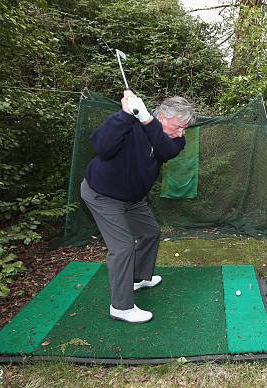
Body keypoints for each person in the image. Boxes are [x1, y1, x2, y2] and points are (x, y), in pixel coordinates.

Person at [80, 90, 195, 323]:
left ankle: (138, 278)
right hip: (102, 194)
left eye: (185, 128)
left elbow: (166, 149)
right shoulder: (130, 125)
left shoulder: (174, 140)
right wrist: (125, 115)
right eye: (178, 126)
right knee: (122, 247)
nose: (182, 133)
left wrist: (147, 120)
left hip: (132, 198)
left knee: (150, 232)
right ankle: (121, 306)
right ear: (163, 118)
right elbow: (100, 146)